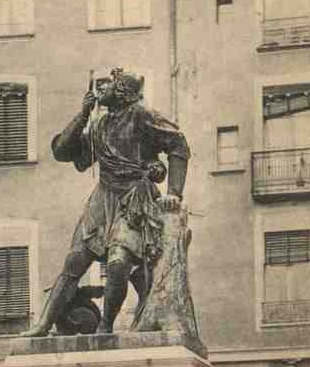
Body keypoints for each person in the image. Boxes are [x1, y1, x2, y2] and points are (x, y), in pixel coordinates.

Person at [22, 67, 190, 337]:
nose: (102, 89)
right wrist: (82, 115)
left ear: (122, 92)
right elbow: (63, 153)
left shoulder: (141, 115)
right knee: (74, 261)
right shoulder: (99, 123)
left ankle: (105, 326)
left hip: (134, 198)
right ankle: (43, 325)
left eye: (109, 84)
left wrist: (174, 192)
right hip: (103, 199)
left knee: (118, 263)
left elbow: (178, 144)